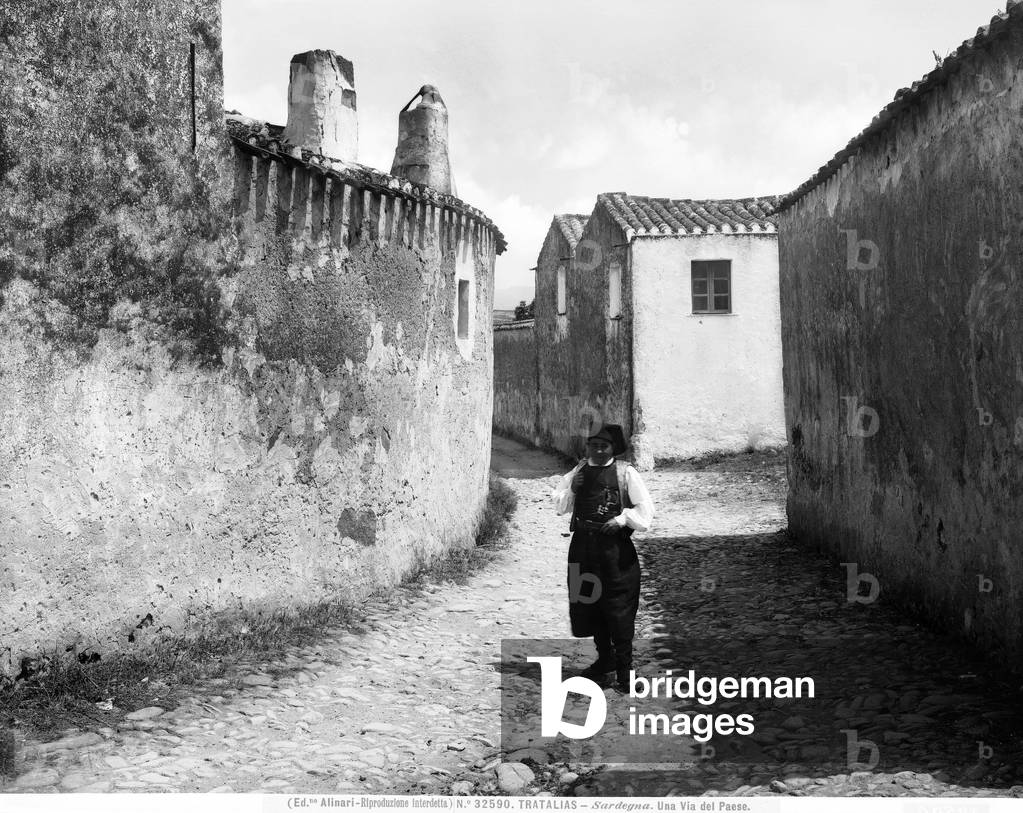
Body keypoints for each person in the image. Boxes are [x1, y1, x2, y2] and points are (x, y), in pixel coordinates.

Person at [553, 423, 654, 691]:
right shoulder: (579, 471)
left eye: (603, 446)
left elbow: (645, 512)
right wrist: (573, 488)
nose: (597, 450)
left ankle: (625, 670)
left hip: (615, 552)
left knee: (618, 607)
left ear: (613, 449)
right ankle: (605, 659)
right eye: (592, 445)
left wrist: (622, 519)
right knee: (590, 604)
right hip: (584, 549)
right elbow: (560, 506)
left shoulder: (625, 473)